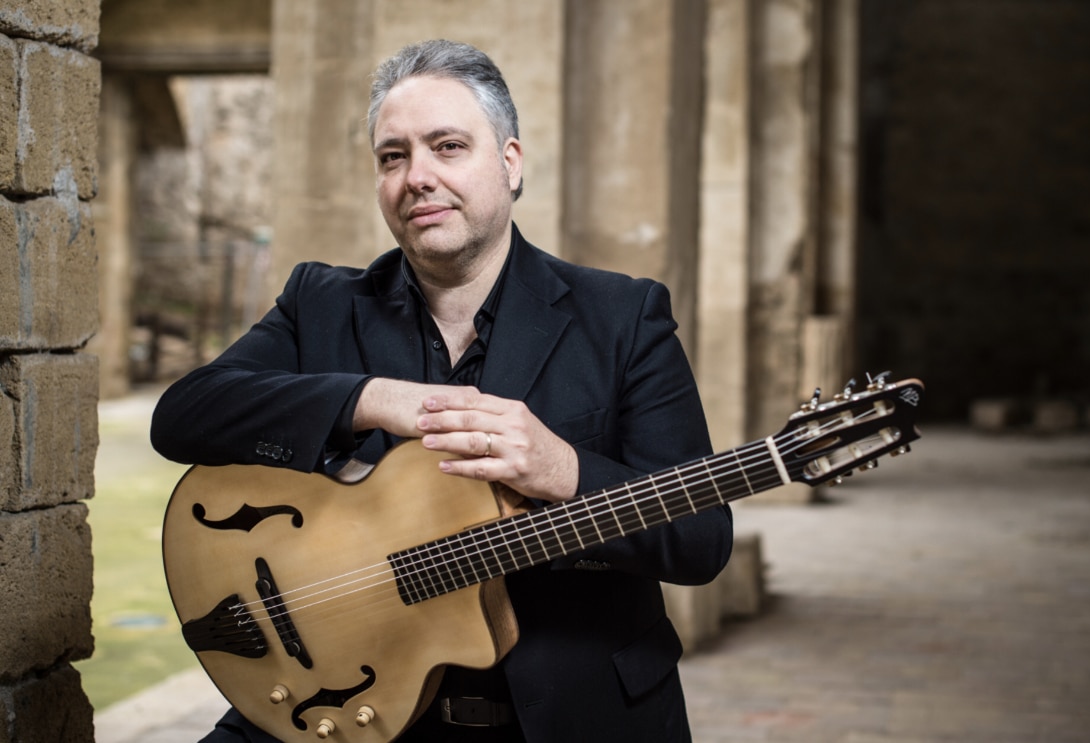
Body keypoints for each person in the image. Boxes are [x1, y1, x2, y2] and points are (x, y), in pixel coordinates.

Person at [151, 39, 733, 742]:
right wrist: (370, 398)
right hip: (346, 701)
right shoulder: (320, 303)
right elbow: (182, 415)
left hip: (574, 722)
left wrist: (562, 469)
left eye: (448, 147)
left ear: (510, 163)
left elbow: (702, 539)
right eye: (392, 157)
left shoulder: (623, 316)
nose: (417, 177)